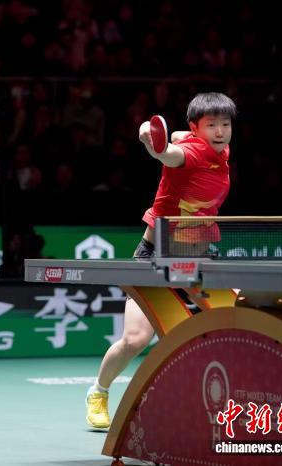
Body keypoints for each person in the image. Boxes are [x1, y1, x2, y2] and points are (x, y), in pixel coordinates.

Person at [85, 92, 237, 429]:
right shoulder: (188, 153)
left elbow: (179, 136)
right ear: (196, 127)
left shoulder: (220, 151)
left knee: (238, 317)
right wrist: (150, 139)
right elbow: (168, 153)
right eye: (211, 125)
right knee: (135, 339)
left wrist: (163, 133)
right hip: (155, 258)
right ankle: (98, 392)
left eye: (225, 124)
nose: (220, 131)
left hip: (198, 257)